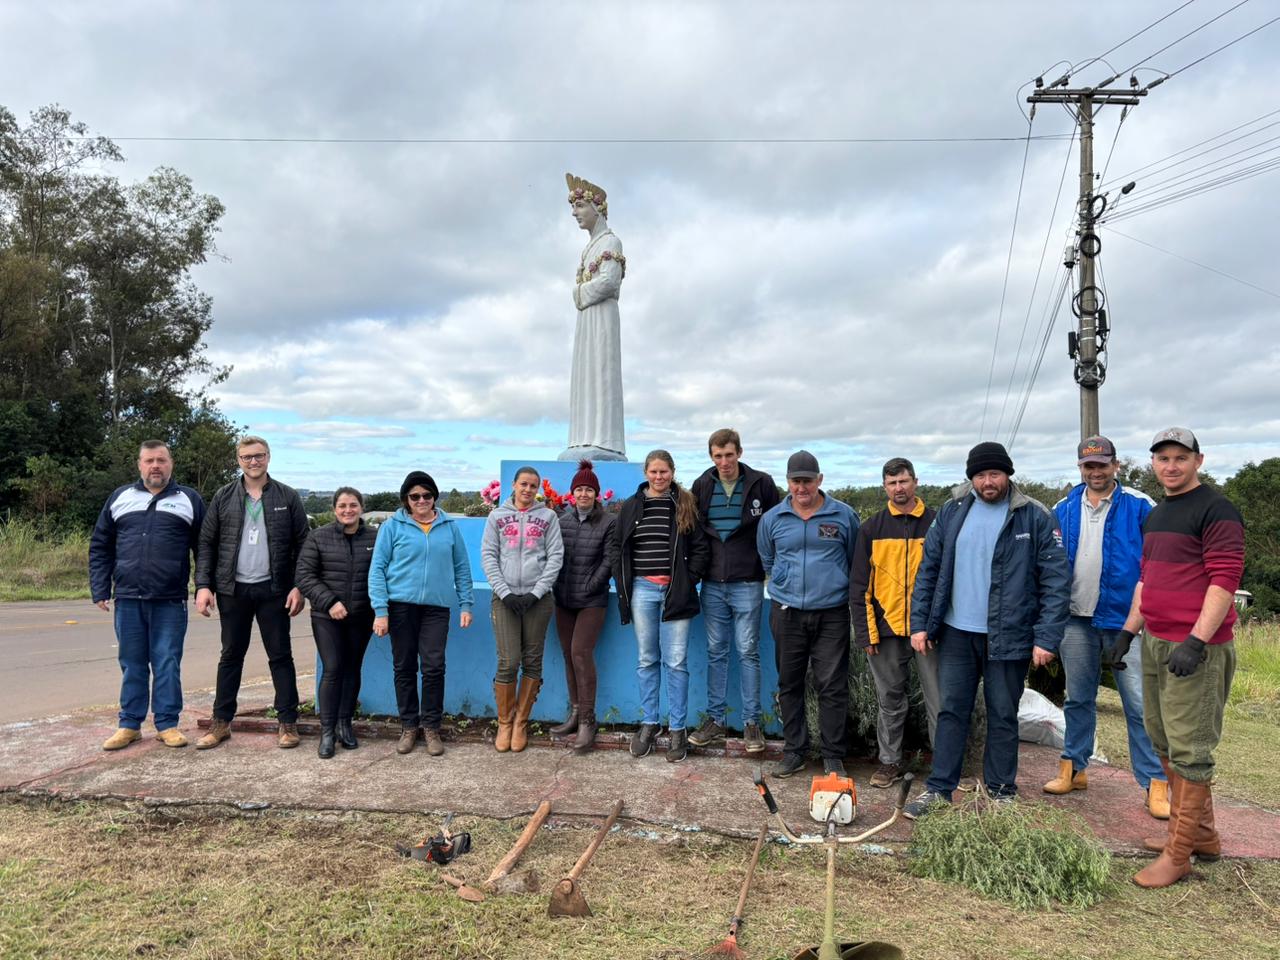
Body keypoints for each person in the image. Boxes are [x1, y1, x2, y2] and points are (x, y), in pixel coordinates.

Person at [904, 442, 1069, 818]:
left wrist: (1046, 637)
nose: (987, 481)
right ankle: (939, 790)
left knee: (1003, 713)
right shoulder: (951, 511)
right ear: (971, 477)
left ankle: (1001, 794)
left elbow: (1056, 580)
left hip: (1009, 635)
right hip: (957, 633)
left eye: (994, 474)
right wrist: (920, 624)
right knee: (951, 712)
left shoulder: (1034, 516)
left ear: (1008, 474)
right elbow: (928, 571)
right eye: (980, 475)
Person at [1125, 428, 1244, 888]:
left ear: (1199, 460)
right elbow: (1147, 579)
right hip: (1154, 640)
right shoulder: (1157, 516)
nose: (1170, 466)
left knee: (1191, 746)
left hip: (1198, 648)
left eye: (1180, 457)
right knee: (1164, 740)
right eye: (1162, 458)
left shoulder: (1217, 510)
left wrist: (1197, 639)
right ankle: (1201, 835)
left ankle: (1178, 855)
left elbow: (1224, 578)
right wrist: (1128, 631)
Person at [1046, 436, 1168, 817]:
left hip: (1124, 622)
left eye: (1102, 465)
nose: (1095, 472)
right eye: (1088, 466)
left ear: (1116, 466)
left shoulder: (1140, 505)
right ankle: (1074, 768)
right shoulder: (1062, 508)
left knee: (1138, 704)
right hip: (1075, 619)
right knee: (1078, 698)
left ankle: (1154, 785)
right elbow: (1050, 565)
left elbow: (1157, 563)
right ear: (1080, 469)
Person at [194, 436, 309, 750]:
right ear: (238, 460)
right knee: (230, 656)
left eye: (258, 456)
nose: (253, 462)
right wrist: (203, 585)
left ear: (269, 457)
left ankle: (287, 723)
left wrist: (299, 586)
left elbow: (304, 545)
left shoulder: (288, 496)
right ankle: (221, 724)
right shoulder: (224, 496)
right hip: (233, 590)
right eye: (246, 457)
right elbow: (206, 544)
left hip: (275, 590)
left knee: (280, 656)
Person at [89, 441, 206, 750]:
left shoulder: (188, 500)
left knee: (167, 661)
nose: (156, 466)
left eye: (161, 460)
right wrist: (100, 587)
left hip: (170, 599)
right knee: (131, 661)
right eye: (149, 460)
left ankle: (167, 724)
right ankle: (129, 725)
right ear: (139, 465)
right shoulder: (120, 498)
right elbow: (101, 545)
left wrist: (204, 586)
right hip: (127, 597)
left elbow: (205, 549)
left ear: (171, 464)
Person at [757, 451, 860, 779]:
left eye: (807, 480)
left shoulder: (843, 515)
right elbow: (767, 559)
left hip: (831, 613)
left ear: (820, 480)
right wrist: (785, 582)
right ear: (787, 482)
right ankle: (794, 751)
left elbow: (855, 559)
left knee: (831, 684)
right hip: (787, 613)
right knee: (790, 684)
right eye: (795, 481)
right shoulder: (773, 518)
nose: (801, 487)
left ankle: (832, 755)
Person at [369, 470, 474, 757]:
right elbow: (377, 569)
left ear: (434, 497)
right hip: (400, 606)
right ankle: (408, 726)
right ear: (406, 499)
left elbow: (462, 567)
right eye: (415, 496)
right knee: (403, 666)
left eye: (427, 495)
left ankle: (431, 727)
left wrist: (466, 604)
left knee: (433, 667)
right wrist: (381, 610)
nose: (421, 500)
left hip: (436, 608)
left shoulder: (449, 527)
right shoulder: (392, 527)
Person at [850, 457, 941, 787]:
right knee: (890, 701)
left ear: (916, 481)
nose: (898, 488)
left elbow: (946, 580)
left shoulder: (936, 523)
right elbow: (860, 587)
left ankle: (944, 767)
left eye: (904, 481)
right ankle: (889, 762)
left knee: (939, 701)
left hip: (928, 632)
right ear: (884, 487)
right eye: (892, 483)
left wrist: (935, 625)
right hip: (885, 630)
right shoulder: (871, 528)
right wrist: (866, 632)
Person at [688, 428, 779, 755]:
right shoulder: (702, 485)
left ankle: (752, 723)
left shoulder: (761, 483)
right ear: (711, 456)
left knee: (748, 651)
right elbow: (694, 530)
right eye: (717, 456)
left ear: (739, 452)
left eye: (729, 454)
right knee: (716, 651)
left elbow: (775, 527)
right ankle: (715, 720)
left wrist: (770, 569)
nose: (724, 462)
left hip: (748, 582)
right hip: (711, 583)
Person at [615, 449, 709, 763]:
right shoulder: (631, 506)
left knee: (677, 662)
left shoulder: (683, 503)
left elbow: (699, 546)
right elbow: (618, 546)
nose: (659, 477)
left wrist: (688, 578)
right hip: (642, 589)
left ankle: (678, 728)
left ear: (672, 472)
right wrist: (623, 582)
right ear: (646, 473)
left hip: (676, 591)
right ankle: (650, 723)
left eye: (664, 472)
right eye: (654, 472)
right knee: (646, 659)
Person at [482, 466, 564, 753]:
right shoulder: (497, 517)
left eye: (533, 485)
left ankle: (521, 722)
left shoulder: (548, 517)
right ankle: (504, 721)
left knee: (532, 659)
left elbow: (555, 557)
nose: (528, 490)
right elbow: (489, 556)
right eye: (523, 484)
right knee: (508, 660)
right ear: (514, 485)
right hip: (504, 599)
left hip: (538, 600)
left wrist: (536, 592)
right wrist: (505, 593)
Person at [294, 487, 377, 759]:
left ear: (361, 508)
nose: (347, 510)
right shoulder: (318, 537)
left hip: (362, 616)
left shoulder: (375, 538)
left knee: (353, 669)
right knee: (332, 669)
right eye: (342, 505)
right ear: (334, 509)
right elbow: (305, 575)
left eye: (353, 505)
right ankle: (327, 732)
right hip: (326, 616)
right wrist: (330, 602)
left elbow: (383, 572)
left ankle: (345, 724)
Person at [550, 460, 619, 754]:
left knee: (580, 652)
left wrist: (592, 584)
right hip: (563, 599)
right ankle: (575, 712)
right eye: (579, 489)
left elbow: (610, 558)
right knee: (568, 655)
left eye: (589, 490)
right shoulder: (561, 520)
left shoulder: (608, 521)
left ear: (597, 493)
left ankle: (589, 721)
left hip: (592, 600)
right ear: (572, 493)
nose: (583, 494)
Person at [559, 172, 626, 462]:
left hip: (601, 317)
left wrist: (577, 293)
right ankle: (582, 438)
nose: (575, 213)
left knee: (601, 373)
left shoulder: (611, 242)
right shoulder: (589, 247)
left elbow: (609, 282)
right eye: (573, 208)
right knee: (586, 373)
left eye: (580, 207)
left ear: (596, 208)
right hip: (587, 319)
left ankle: (603, 439)